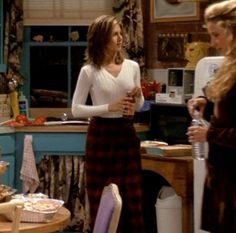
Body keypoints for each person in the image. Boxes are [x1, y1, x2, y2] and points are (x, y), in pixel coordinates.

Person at [71, 15, 145, 233]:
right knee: (101, 199)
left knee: (132, 198)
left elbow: (139, 105)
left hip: (126, 134)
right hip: (100, 137)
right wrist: (108, 107)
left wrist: (137, 99)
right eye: (115, 33)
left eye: (121, 33)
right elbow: (76, 109)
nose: (120, 38)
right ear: (102, 37)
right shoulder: (89, 71)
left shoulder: (132, 66)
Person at [187, 1, 236, 232]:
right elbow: (227, 109)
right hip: (221, 174)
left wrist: (210, 133)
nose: (213, 43)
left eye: (217, 35)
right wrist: (204, 104)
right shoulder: (229, 65)